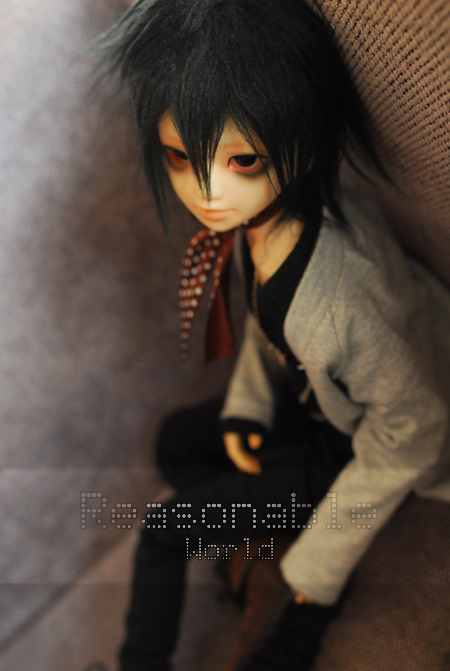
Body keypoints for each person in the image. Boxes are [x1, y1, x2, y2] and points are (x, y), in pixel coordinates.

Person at [95, 0, 450, 669]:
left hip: (361, 450)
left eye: (243, 161)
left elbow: (418, 428)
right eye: (179, 156)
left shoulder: (339, 302)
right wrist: (249, 407)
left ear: (304, 143)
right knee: (178, 443)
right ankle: (262, 546)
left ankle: (289, 598)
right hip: (319, 408)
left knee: (165, 532)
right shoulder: (265, 227)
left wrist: (321, 561)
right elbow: (271, 325)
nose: (205, 192)